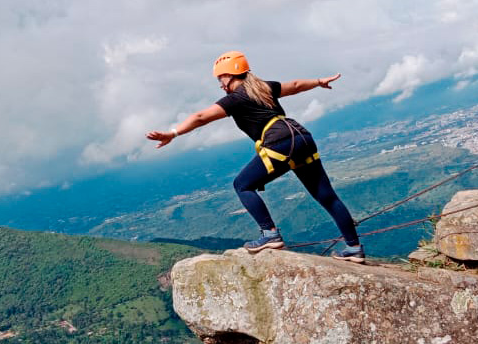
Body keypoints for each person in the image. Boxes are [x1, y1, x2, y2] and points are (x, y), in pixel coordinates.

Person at [146, 51, 365, 263]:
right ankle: (354, 248)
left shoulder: (236, 99)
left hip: (280, 141)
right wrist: (318, 81)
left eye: (221, 78)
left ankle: (270, 234)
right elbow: (296, 86)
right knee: (327, 196)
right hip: (301, 137)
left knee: (242, 185)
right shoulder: (264, 88)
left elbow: (201, 116)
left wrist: (173, 133)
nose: (221, 84)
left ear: (230, 75)